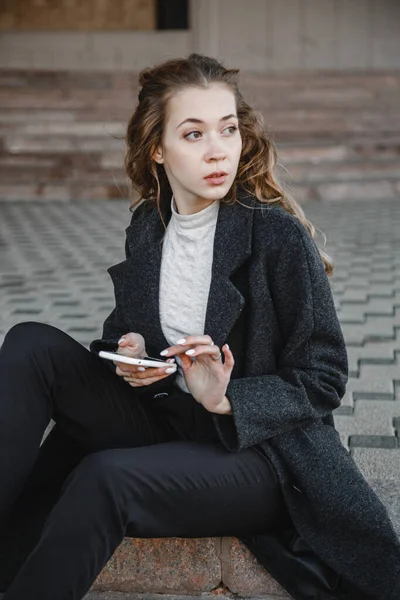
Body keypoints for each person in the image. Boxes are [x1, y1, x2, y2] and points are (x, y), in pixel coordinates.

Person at [0, 53, 399, 600]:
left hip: (261, 456)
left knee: (105, 476)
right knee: (30, 343)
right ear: (157, 149)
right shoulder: (149, 225)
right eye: (194, 134)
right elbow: (121, 333)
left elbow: (325, 377)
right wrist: (130, 351)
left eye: (228, 129)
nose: (218, 150)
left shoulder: (276, 238)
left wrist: (227, 398)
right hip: (168, 421)